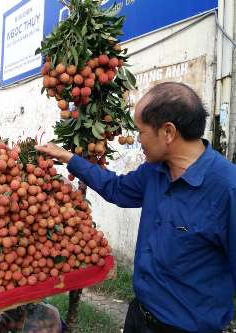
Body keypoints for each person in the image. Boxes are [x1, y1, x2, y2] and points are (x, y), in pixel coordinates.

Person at [36, 82, 236, 333]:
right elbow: (117, 189)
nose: (138, 140)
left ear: (168, 132)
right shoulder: (155, 171)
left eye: (141, 131)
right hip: (139, 318)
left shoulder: (227, 190)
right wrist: (69, 158)